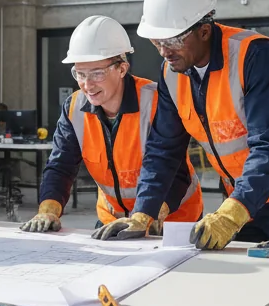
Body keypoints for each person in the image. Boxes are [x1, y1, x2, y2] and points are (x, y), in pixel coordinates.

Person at [105, 0, 269, 306]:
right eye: (156, 42)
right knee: (244, 293)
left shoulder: (254, 56)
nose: (164, 52)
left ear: (204, 31)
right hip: (242, 192)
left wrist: (232, 213)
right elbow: (163, 149)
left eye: (172, 41)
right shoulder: (171, 74)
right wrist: (144, 211)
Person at [19, 16, 201, 236]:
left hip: (172, 218)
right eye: (80, 74)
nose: (87, 85)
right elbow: (61, 166)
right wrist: (48, 210)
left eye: (97, 73)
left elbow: (175, 171)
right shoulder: (74, 108)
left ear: (122, 69)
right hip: (111, 219)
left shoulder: (156, 102)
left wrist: (149, 215)